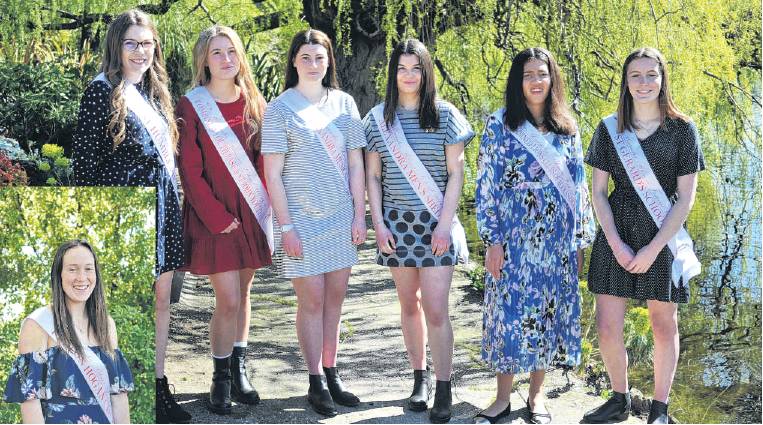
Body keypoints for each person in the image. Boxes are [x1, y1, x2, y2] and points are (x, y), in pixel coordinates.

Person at [70, 10, 189, 423]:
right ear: (116, 47)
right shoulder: (100, 93)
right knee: (127, 305)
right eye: (131, 43)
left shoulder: (155, 93)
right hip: (132, 212)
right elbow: (84, 168)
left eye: (147, 43)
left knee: (161, 300)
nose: (141, 51)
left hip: (164, 208)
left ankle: (159, 388)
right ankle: (111, 390)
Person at [582, 47, 704, 424]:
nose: (644, 82)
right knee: (606, 324)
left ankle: (660, 409)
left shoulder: (683, 130)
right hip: (616, 229)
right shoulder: (609, 128)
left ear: (663, 78)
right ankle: (618, 399)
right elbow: (598, 192)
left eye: (652, 74)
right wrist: (616, 242)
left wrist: (652, 248)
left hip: (663, 233)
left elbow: (686, 198)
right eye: (636, 75)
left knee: (663, 324)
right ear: (626, 81)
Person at [474, 47, 595, 424]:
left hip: (555, 240)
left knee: (547, 315)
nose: (536, 81)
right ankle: (501, 398)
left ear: (552, 78)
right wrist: (491, 239)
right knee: (507, 316)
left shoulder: (567, 128)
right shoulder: (499, 124)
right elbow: (485, 186)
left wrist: (578, 242)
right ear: (518, 81)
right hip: (512, 239)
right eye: (528, 74)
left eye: (542, 74)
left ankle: (537, 395)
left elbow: (578, 188)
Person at [363, 39, 474, 424]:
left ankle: (444, 387)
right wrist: (377, 224)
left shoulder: (446, 116)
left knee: (437, 307)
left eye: (416, 69)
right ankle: (419, 379)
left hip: (435, 224)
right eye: (401, 69)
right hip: (397, 225)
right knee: (408, 303)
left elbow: (456, 174)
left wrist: (444, 225)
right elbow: (373, 177)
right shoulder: (378, 119)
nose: (408, 76)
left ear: (426, 73)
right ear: (392, 74)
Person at [261, 29, 366, 417]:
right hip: (300, 221)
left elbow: (356, 162)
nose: (313, 64)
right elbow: (273, 174)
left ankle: (332, 371)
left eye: (319, 57)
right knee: (312, 301)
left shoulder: (344, 104)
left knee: (335, 302)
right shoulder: (279, 109)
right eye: (305, 57)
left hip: (341, 217)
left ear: (329, 62)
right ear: (294, 61)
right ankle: (314, 380)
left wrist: (359, 213)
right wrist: (285, 227)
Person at [176, 25, 273, 415]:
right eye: (217, 53)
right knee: (228, 298)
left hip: (250, 211)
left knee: (244, 294)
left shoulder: (253, 101)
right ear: (204, 60)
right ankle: (219, 377)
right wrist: (217, 218)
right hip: (213, 214)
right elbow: (190, 169)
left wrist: (263, 208)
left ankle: (238, 365)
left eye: (231, 51)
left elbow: (264, 159)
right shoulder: (191, 104)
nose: (226, 60)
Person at [3, 240, 134, 423]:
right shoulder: (38, 325)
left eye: (88, 269)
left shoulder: (107, 326)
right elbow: (30, 402)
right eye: (72, 269)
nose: (82, 277)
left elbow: (118, 397)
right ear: (59, 275)